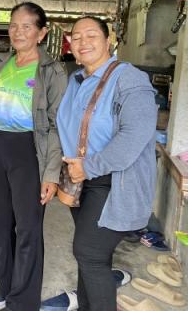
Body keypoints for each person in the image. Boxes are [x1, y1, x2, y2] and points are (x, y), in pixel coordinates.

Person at [57, 16, 157, 311]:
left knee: (89, 253)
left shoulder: (129, 78)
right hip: (80, 180)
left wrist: (88, 167)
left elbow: (135, 135)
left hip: (112, 181)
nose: (83, 42)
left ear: (108, 40)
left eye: (91, 35)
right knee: (92, 257)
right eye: (76, 37)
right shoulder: (77, 80)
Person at [0, 2, 67, 311]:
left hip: (29, 151)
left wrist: (51, 173)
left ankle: (23, 301)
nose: (18, 32)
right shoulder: (3, 62)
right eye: (14, 25)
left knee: (28, 227)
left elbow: (58, 125)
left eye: (27, 26)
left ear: (41, 33)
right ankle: (7, 286)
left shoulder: (52, 71)